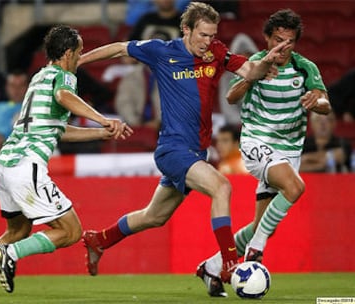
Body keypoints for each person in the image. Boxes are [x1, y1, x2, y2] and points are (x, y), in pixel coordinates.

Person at [77, 1, 292, 297]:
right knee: (222, 188)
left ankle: (99, 239)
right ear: (186, 30)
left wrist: (266, 61)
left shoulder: (216, 52)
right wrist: (78, 62)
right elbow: (118, 48)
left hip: (196, 153)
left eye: (212, 34)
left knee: (154, 216)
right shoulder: (161, 51)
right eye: (203, 35)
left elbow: (250, 71)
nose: (209, 41)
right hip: (172, 150)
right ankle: (228, 263)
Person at [0, 25, 132, 304]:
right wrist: (103, 119)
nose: (80, 57)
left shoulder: (39, 77)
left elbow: (56, 129)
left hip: (4, 164)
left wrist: (101, 132)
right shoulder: (64, 77)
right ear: (67, 53)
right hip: (28, 165)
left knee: (17, 231)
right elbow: (65, 97)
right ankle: (10, 255)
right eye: (79, 51)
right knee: (71, 230)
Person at [197, 8, 331, 297]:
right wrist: (254, 76)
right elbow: (231, 97)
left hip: (289, 150)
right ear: (267, 39)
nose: (283, 47)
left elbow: (325, 103)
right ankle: (256, 251)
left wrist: (315, 101)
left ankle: (211, 266)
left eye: (290, 42)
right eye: (278, 40)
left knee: (261, 223)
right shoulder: (255, 62)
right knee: (295, 187)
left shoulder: (304, 67)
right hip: (257, 141)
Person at [219, 33, 258, 125]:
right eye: (240, 57)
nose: (244, 60)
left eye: (248, 56)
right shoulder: (227, 78)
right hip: (238, 126)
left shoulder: (264, 74)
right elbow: (227, 109)